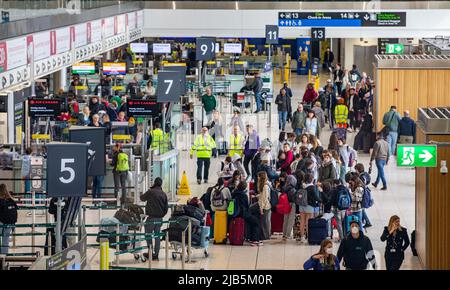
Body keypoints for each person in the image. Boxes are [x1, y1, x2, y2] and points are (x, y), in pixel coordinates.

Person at [139, 177, 168, 261]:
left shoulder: (151, 192)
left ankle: (150, 252)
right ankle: (156, 255)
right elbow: (166, 209)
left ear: (155, 183)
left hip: (151, 218)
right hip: (159, 219)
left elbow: (142, 198)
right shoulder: (164, 194)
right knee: (157, 237)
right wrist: (161, 215)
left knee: (148, 235)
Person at [0, 184, 17, 255]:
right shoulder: (11, 200)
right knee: (5, 240)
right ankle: (4, 258)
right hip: (10, 223)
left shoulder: (1, 200)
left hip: (1, 222)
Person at [256, 171, 271, 241]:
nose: (257, 178)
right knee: (266, 221)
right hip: (266, 205)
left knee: (265, 222)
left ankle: (266, 236)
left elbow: (264, 198)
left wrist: (261, 208)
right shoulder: (265, 185)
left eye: (258, 176)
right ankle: (266, 235)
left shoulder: (265, 186)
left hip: (266, 206)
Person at [282, 175, 297, 240]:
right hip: (292, 204)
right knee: (291, 220)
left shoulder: (284, 187)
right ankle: (288, 235)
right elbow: (293, 198)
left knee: (285, 219)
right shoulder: (292, 189)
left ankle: (284, 234)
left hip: (285, 204)